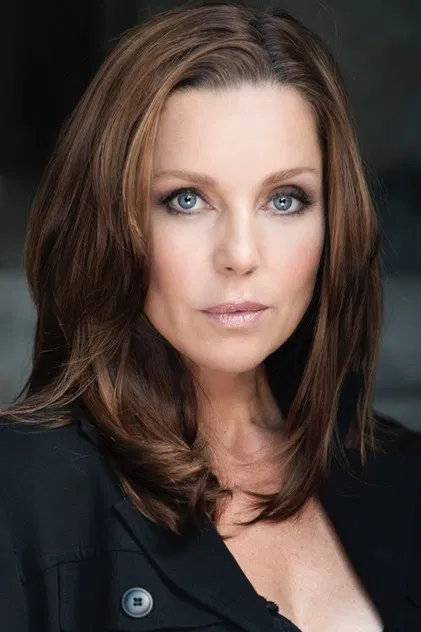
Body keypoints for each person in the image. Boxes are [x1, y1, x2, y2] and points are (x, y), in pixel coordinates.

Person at [0, 1, 420, 630]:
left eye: (285, 199)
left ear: (336, 223)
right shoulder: (22, 491)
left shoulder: (398, 473)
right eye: (187, 200)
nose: (241, 255)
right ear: (111, 223)